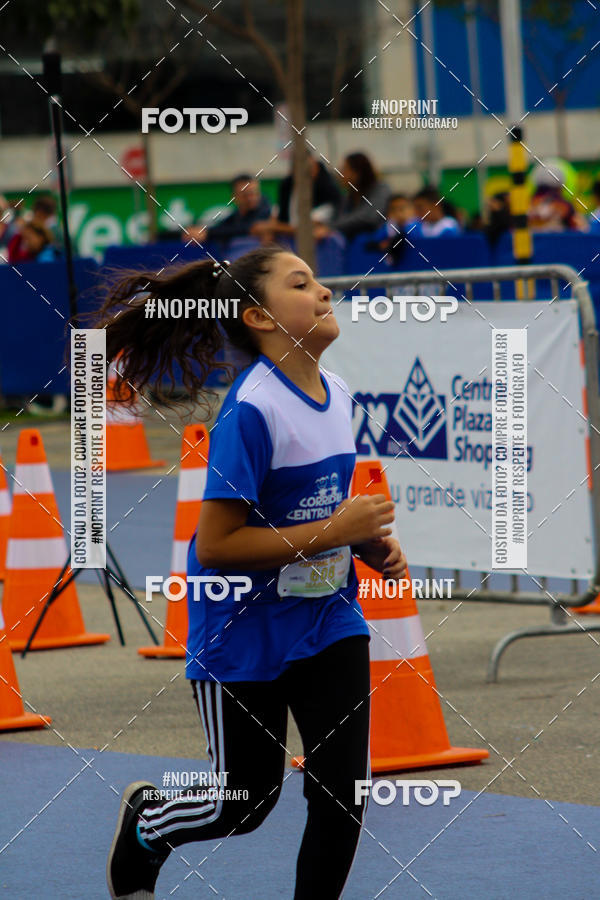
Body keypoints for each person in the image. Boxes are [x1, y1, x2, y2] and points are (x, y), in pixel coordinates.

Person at [101, 245, 407, 900]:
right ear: (259, 317)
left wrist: (365, 546)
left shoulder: (338, 394)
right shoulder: (253, 411)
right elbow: (216, 547)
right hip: (240, 630)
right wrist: (338, 530)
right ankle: (147, 822)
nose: (324, 291)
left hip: (328, 619)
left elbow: (316, 510)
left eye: (320, 280)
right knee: (242, 802)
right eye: (301, 283)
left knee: (343, 792)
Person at [250, 154, 342, 243]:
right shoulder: (287, 186)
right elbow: (276, 215)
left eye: (308, 170)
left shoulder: (327, 192)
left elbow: (308, 228)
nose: (304, 175)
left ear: (316, 168)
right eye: (298, 169)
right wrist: (269, 231)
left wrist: (272, 227)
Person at [314, 152, 392, 242]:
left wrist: (330, 227)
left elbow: (368, 217)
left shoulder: (380, 189)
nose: (340, 174)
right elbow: (340, 218)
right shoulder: (349, 196)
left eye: (344, 170)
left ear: (357, 173)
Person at [187, 175, 271, 247]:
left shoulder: (266, 210)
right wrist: (201, 232)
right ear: (234, 197)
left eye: (254, 193)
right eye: (245, 195)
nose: (251, 198)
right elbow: (225, 226)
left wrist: (207, 233)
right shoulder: (237, 216)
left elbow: (249, 226)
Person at [364, 193, 415, 266]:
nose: (398, 213)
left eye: (402, 208)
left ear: (412, 210)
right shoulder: (386, 228)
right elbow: (371, 242)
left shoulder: (419, 226)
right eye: (393, 209)